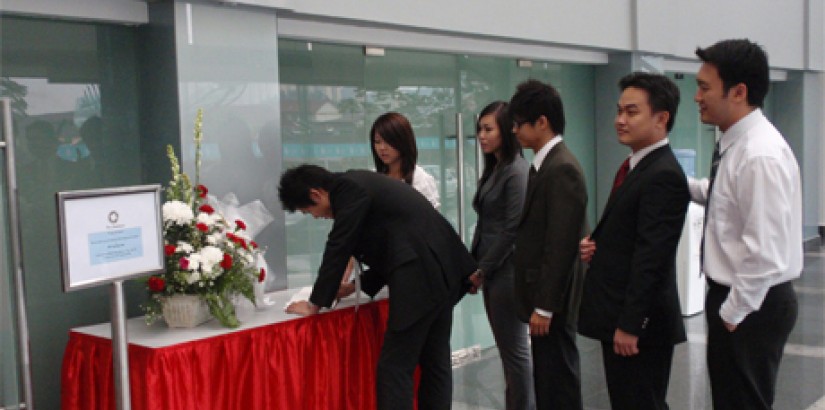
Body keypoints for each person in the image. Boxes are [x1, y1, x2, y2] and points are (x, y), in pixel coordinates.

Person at [279, 164, 476, 410]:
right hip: (443, 270)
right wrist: (352, 288)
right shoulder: (359, 183)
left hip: (423, 279)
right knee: (434, 361)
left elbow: (338, 245)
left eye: (310, 211)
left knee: (394, 368)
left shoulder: (347, 191)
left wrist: (314, 304)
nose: (317, 217)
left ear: (316, 194)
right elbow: (396, 245)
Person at [691, 39, 802, 410]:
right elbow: (727, 197)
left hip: (754, 301)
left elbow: (765, 252)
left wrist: (733, 311)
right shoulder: (734, 143)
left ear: (738, 92)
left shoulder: (759, 154)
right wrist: (684, 188)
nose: (697, 97)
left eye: (705, 87)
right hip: (742, 297)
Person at [577, 72, 689, 410]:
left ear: (661, 117)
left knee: (640, 402)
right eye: (619, 111)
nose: (619, 120)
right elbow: (630, 235)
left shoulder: (663, 175)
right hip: (619, 315)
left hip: (640, 326)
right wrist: (597, 245)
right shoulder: (636, 166)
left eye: (631, 112)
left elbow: (651, 257)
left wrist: (630, 324)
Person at [509, 80, 587, 410]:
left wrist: (544, 306)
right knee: (548, 381)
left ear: (542, 122)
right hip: (541, 297)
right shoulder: (544, 166)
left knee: (558, 383)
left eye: (518, 123)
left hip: (551, 302)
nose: (514, 131)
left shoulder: (562, 169)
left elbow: (561, 244)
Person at [469, 101, 535, 410]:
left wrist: (482, 269)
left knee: (515, 353)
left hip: (507, 273)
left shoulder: (517, 171)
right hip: (492, 272)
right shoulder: (495, 169)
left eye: (488, 129)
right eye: (479, 129)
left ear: (506, 131)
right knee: (510, 353)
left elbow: (511, 231)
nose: (481, 135)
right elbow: (485, 225)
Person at [370, 112, 440, 208]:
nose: (382, 148)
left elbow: (430, 220)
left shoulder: (421, 180)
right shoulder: (373, 178)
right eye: (377, 142)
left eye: (388, 141)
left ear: (402, 140)